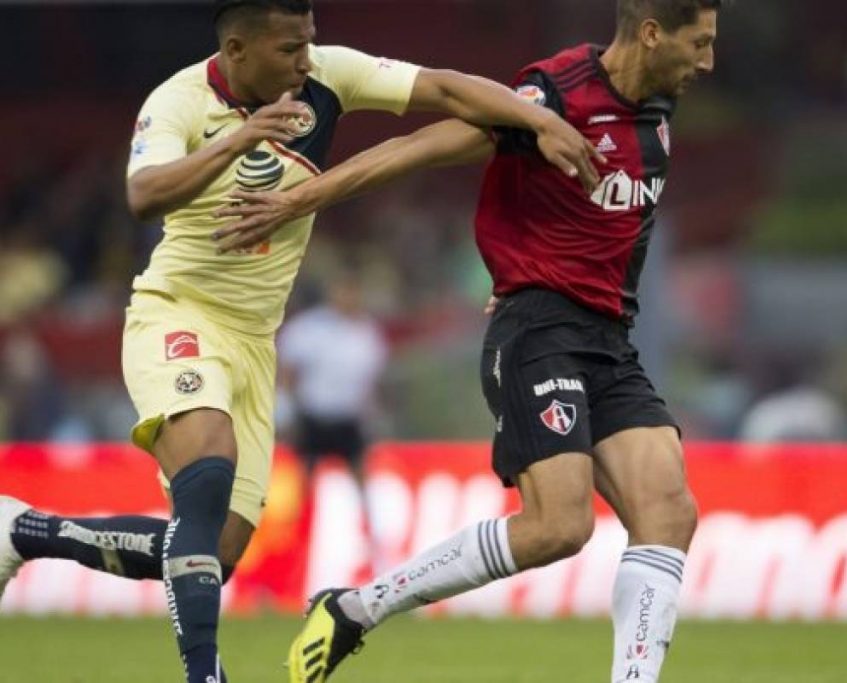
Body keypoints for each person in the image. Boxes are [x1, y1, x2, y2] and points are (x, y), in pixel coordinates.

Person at [0, 1, 602, 681]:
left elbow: (444, 87)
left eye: (309, 43)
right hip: (177, 314)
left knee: (212, 552)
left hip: (256, 340)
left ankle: (26, 531)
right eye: (289, 49)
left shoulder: (328, 77)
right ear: (236, 50)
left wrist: (540, 118)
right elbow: (144, 195)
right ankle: (206, 673)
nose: (305, 60)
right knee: (207, 471)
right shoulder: (177, 101)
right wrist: (236, 138)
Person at [215, 2, 720, 681]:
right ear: (653, 33)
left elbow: (620, 226)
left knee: (669, 509)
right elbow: (412, 148)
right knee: (558, 526)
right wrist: (295, 201)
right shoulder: (554, 95)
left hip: (608, 336)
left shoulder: (659, 108)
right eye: (701, 43)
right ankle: (357, 608)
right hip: (539, 328)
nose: (708, 63)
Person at [277, 271, 387, 485]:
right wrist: (286, 409)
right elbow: (289, 372)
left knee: (361, 473)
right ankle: (303, 516)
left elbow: (370, 381)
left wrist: (373, 414)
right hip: (313, 415)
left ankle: (367, 517)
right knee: (305, 475)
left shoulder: (368, 333)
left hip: (348, 416)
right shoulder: (309, 328)